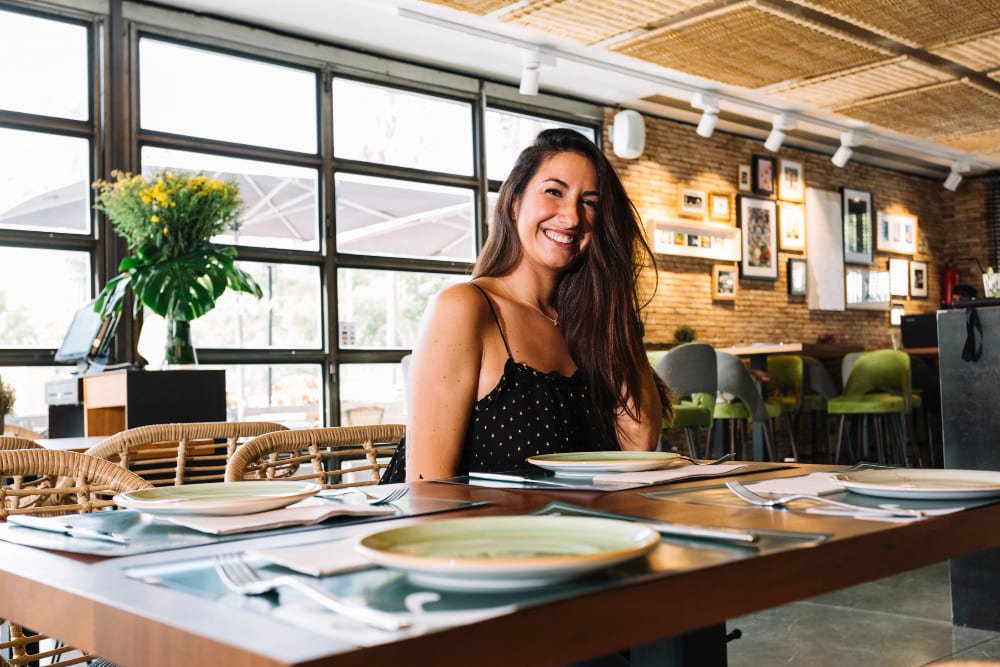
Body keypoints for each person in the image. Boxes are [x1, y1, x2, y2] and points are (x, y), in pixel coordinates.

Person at [382, 128, 670, 483]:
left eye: (590, 202)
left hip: (567, 532)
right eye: (554, 192)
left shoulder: (587, 324)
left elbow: (639, 448)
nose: (572, 217)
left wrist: (614, 306)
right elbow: (428, 488)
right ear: (515, 202)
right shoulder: (465, 307)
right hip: (461, 534)